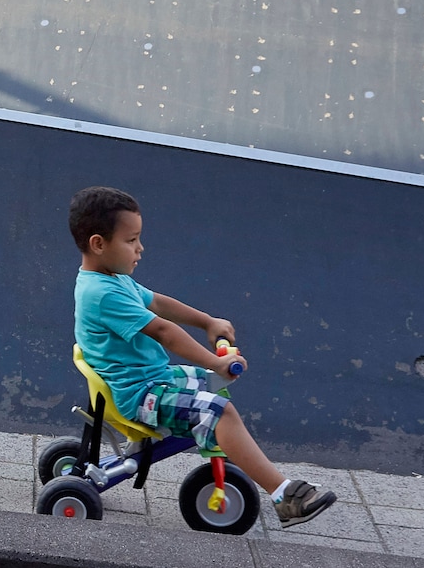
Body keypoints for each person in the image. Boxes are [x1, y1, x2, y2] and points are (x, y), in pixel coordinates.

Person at [69, 186, 336, 527]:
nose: (140, 248)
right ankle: (283, 494)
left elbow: (160, 303)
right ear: (98, 244)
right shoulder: (102, 293)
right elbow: (164, 330)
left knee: (213, 386)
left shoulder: (114, 279)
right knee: (217, 408)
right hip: (139, 395)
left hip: (150, 379)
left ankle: (230, 447)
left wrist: (207, 322)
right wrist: (215, 360)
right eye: (131, 240)